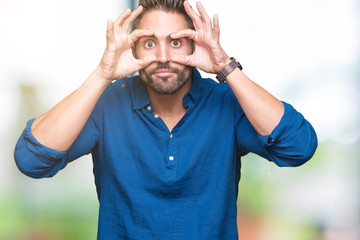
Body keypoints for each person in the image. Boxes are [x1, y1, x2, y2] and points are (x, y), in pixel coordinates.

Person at [14, 0, 318, 239]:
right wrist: (101, 75)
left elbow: (299, 146)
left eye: (175, 42)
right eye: (149, 43)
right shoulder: (107, 103)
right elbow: (31, 160)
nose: (162, 56)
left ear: (194, 45)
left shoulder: (226, 102)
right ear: (133, 49)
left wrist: (225, 67)